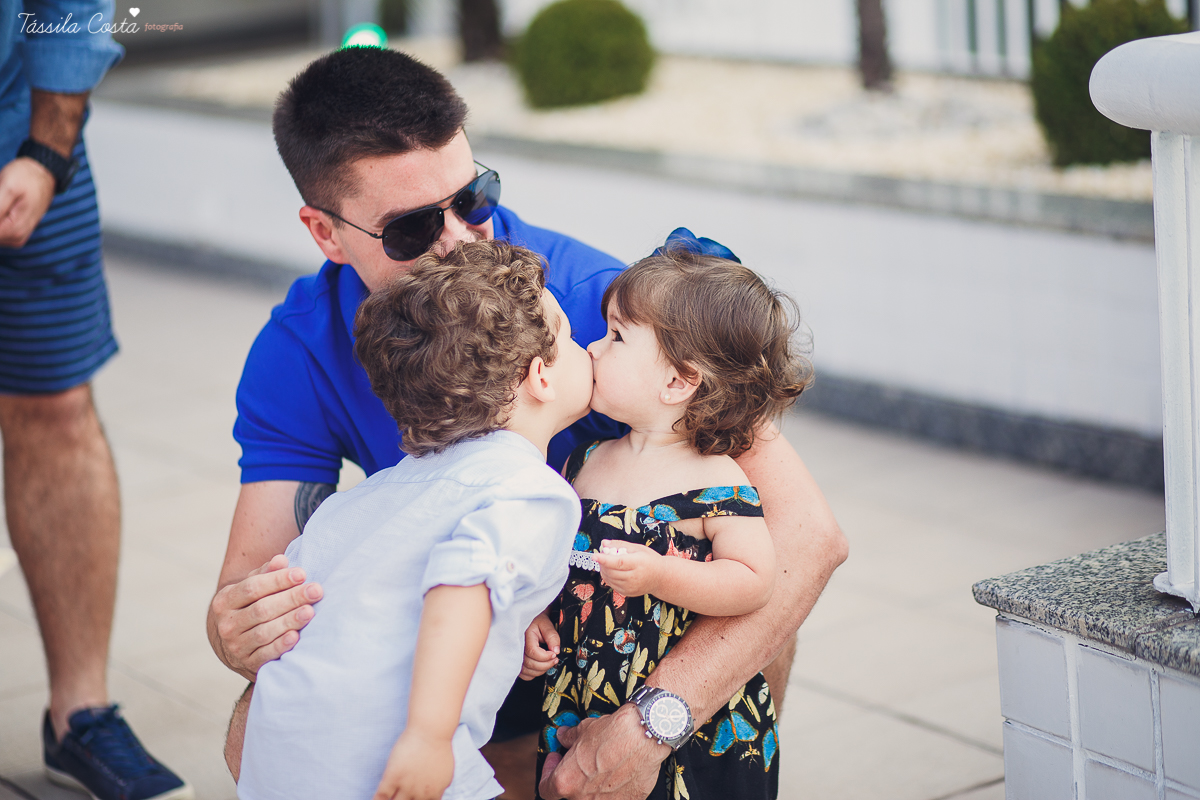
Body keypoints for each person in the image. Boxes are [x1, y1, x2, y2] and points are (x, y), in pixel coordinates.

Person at [209, 45, 847, 800]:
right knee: (256, 731)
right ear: (325, 233)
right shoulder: (300, 350)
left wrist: (654, 722)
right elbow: (257, 588)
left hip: (629, 631)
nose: (460, 239)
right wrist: (237, 628)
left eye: (472, 197)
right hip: (488, 632)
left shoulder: (606, 306)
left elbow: (805, 537)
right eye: (412, 230)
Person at [238, 241, 592, 800]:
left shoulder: (366, 501)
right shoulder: (531, 491)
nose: (589, 349)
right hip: (395, 759)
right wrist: (429, 737)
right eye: (572, 340)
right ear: (540, 375)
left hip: (279, 762)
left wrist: (515, 613)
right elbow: (463, 582)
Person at [522, 236, 808, 800]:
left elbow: (753, 582)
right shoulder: (585, 461)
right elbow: (562, 560)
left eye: (616, 337)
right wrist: (534, 613)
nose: (592, 348)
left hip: (692, 727)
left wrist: (660, 575)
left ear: (678, 381)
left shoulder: (717, 479)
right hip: (586, 693)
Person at [0, 3, 190, 799]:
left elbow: (65, 10)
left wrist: (46, 151)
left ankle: (78, 716)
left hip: (24, 144)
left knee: (58, 409)